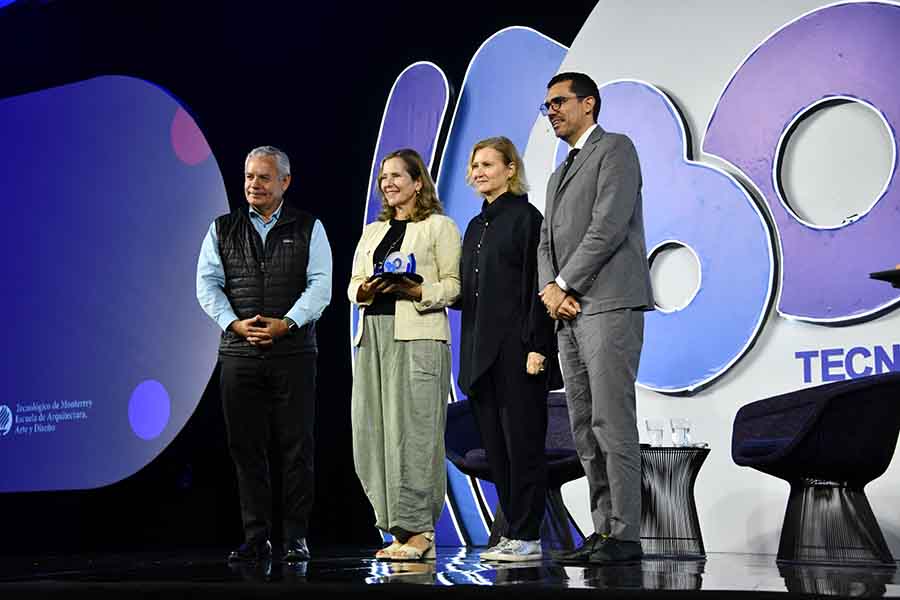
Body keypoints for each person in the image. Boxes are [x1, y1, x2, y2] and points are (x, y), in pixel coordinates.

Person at [537, 73, 654, 563]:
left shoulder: (616, 149)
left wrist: (565, 285)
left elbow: (608, 226)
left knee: (612, 420)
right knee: (583, 425)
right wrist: (549, 291)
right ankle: (603, 530)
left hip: (608, 304)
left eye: (559, 102)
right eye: (547, 106)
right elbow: (546, 240)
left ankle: (624, 533)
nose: (552, 112)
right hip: (568, 313)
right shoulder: (559, 171)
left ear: (589, 104)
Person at [196, 145, 332, 564]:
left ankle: (295, 537)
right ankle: (256, 537)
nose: (254, 184)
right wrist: (235, 323)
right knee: (246, 448)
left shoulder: (309, 227)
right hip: (239, 354)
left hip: (293, 353)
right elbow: (207, 285)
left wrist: (287, 323)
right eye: (249, 176)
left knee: (296, 448)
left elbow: (321, 285)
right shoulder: (222, 228)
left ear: (285, 182)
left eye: (263, 177)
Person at [348, 148, 461, 561]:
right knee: (372, 435)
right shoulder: (372, 232)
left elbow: (454, 285)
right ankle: (396, 528)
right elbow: (353, 284)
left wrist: (418, 291)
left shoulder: (439, 227)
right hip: (374, 336)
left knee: (414, 434)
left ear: (418, 182)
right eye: (383, 178)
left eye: (397, 175)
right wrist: (365, 290)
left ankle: (420, 531)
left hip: (418, 337)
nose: (388, 183)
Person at [455, 137, 561, 562]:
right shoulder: (476, 226)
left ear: (511, 169)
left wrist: (538, 346)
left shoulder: (527, 219)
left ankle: (528, 535)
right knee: (497, 448)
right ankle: (512, 533)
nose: (479, 172)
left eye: (488, 164)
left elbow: (537, 288)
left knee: (523, 446)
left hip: (519, 353)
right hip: (481, 355)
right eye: (475, 166)